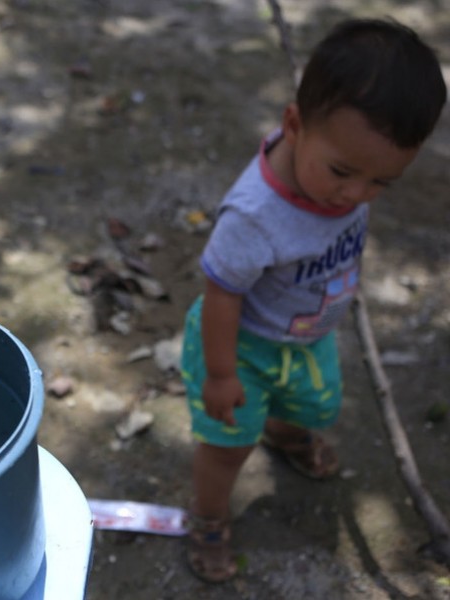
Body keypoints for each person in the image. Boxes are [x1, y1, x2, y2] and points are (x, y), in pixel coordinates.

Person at [180, 17, 446, 583]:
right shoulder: (255, 216)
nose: (356, 194)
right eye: (343, 173)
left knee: (314, 406)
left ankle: (285, 428)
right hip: (243, 345)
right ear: (294, 124)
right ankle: (206, 516)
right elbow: (223, 292)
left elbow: (351, 191)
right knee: (228, 442)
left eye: (381, 183)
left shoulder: (343, 169)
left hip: (306, 335)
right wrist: (222, 374)